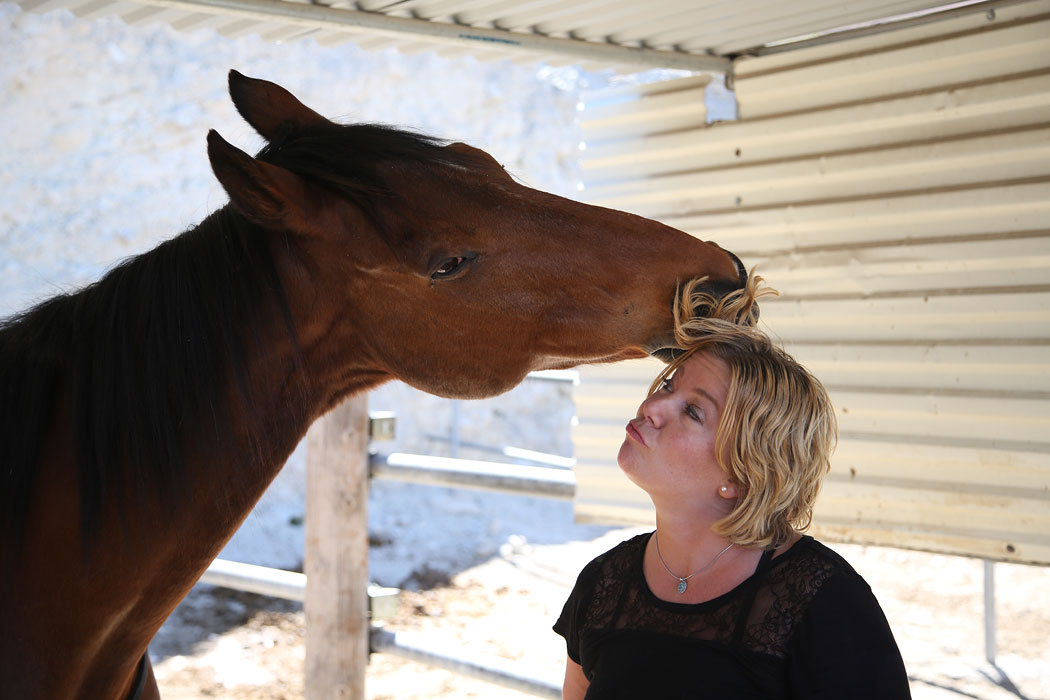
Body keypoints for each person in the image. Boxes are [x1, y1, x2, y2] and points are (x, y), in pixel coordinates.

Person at [553, 274, 911, 699]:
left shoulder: (825, 603)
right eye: (668, 385)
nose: (652, 406)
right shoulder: (604, 584)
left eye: (693, 411)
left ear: (740, 476)